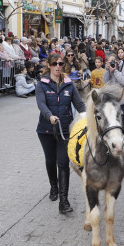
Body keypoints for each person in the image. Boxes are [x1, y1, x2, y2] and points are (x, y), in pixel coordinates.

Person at [36, 53, 86, 214]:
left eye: (60, 63)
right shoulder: (42, 84)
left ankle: (64, 202)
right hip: (46, 129)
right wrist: (49, 116)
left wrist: (87, 117)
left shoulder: (69, 84)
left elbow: (79, 104)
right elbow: (41, 104)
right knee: (51, 160)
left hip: (65, 130)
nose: (58, 66)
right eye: (54, 63)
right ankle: (53, 186)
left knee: (63, 164)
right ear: (49, 65)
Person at [102, 52, 124, 152]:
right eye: (109, 62)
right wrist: (107, 70)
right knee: (117, 124)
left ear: (118, 61)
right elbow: (105, 81)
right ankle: (118, 141)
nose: (111, 63)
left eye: (113, 62)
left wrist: (115, 71)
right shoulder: (109, 69)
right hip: (116, 101)